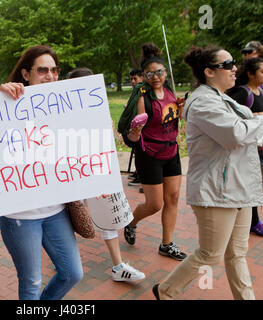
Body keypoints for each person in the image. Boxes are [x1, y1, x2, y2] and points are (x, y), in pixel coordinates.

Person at [153, 46, 263, 300]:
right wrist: (261, 120)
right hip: (217, 190)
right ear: (209, 72)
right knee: (210, 254)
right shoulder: (203, 101)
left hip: (238, 188)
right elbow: (234, 133)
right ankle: (165, 291)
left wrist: (257, 118)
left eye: (234, 63)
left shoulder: (222, 97)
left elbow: (241, 125)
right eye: (227, 64)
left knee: (237, 253)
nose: (235, 68)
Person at [0, 45, 83, 300]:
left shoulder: (65, 108)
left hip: (55, 210)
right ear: (25, 74)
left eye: (55, 70)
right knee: (32, 282)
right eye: (42, 70)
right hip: (20, 214)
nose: (50, 76)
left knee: (72, 272)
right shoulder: (5, 104)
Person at [68, 67, 146, 284]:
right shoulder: (63, 114)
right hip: (71, 175)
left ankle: (118, 266)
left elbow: (111, 144)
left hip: (97, 173)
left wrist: (131, 135)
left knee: (108, 219)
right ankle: (60, 258)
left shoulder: (98, 110)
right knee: (65, 219)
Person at [123, 43, 187, 261]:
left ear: (165, 72)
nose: (155, 77)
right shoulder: (142, 96)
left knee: (174, 198)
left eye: (159, 72)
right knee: (154, 204)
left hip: (171, 151)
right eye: (150, 73)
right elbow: (133, 136)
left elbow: (177, 117)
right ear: (144, 76)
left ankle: (166, 244)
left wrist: (181, 108)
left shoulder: (170, 91)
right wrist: (134, 131)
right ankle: (131, 223)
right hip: (149, 154)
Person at [227, 58, 263, 238]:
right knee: (249, 187)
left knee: (257, 186)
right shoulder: (243, 93)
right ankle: (252, 223)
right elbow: (232, 120)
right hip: (248, 150)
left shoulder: (259, 92)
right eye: (262, 71)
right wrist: (262, 116)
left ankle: (251, 221)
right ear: (250, 73)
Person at [127, 69, 144, 188]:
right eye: (131, 79)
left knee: (140, 153)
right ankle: (138, 173)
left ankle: (141, 175)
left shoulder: (142, 90)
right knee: (137, 152)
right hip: (135, 128)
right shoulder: (136, 90)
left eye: (135, 79)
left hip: (142, 129)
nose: (133, 81)